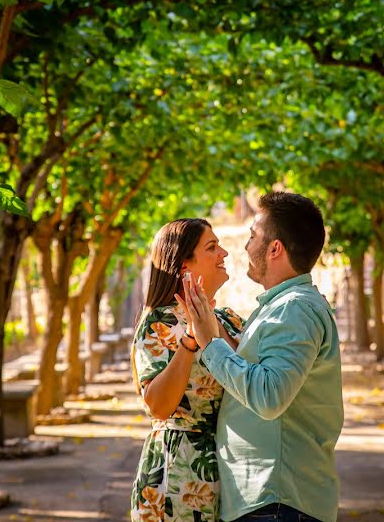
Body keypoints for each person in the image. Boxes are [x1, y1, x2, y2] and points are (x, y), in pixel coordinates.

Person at [178, 192, 343, 522]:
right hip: (271, 501)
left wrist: (210, 343)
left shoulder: (294, 309)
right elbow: (257, 368)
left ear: (275, 248)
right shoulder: (282, 307)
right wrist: (213, 329)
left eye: (253, 236)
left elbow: (269, 396)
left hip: (277, 502)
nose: (244, 246)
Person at [130, 218, 244, 522]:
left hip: (232, 472)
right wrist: (190, 341)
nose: (224, 253)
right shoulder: (160, 324)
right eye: (212, 247)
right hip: (177, 477)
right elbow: (159, 405)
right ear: (184, 266)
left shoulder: (230, 319)